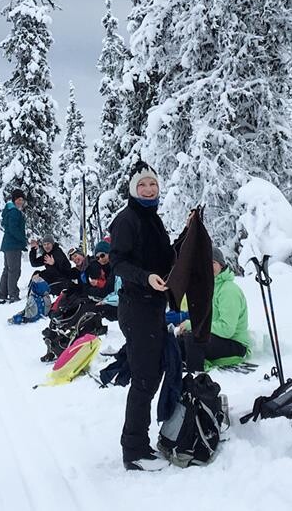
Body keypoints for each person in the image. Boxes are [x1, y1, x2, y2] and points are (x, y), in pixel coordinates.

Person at [109, 160, 178, 472]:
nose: (148, 189)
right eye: (142, 185)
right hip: (136, 307)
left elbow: (166, 257)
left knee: (153, 370)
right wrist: (146, 277)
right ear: (133, 190)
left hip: (152, 306)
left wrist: (188, 236)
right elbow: (118, 263)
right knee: (145, 377)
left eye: (152, 184)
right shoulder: (127, 219)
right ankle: (134, 449)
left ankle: (138, 442)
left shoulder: (153, 219)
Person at [174, 247, 250, 370]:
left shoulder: (228, 290)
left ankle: (196, 377)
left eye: (212, 263)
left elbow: (227, 329)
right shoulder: (209, 288)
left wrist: (193, 326)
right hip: (216, 339)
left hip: (235, 345)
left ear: (221, 265)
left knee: (194, 339)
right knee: (178, 342)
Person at [0, 190, 28, 304]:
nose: (20, 202)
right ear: (14, 200)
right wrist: (23, 240)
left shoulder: (9, 210)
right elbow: (13, 229)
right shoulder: (14, 212)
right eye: (18, 199)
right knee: (14, 271)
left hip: (8, 245)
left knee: (7, 270)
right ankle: (13, 295)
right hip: (13, 245)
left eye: (22, 200)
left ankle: (3, 294)